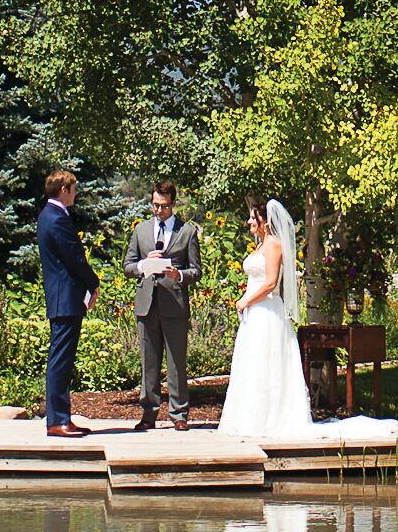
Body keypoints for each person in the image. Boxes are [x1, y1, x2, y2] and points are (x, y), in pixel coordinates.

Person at [222, 198, 315, 438]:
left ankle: (269, 421)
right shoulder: (261, 244)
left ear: (265, 221)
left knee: (267, 363)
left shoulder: (273, 245)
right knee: (253, 364)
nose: (250, 221)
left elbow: (271, 283)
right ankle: (250, 419)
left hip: (266, 311)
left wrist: (246, 301)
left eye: (254, 218)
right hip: (255, 314)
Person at [124, 179, 205, 432]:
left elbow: (197, 270)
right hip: (147, 303)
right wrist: (143, 265)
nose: (159, 211)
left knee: (176, 362)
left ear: (173, 204)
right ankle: (148, 413)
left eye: (164, 207)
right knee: (149, 361)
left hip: (174, 303)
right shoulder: (141, 230)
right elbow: (127, 266)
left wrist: (178, 275)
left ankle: (179, 414)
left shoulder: (187, 232)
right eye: (155, 206)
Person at [37, 169, 99, 435]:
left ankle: (62, 417)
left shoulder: (49, 215)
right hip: (65, 298)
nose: (77, 193)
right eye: (74, 188)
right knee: (60, 360)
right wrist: (93, 283)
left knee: (62, 358)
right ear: (63, 190)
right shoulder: (56, 219)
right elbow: (74, 258)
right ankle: (57, 420)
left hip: (63, 297)